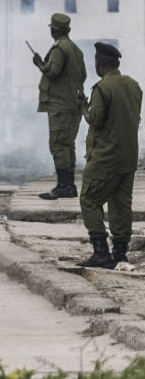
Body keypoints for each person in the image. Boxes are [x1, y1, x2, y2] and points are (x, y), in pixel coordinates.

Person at [75, 43, 142, 268]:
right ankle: (120, 254)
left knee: (89, 199)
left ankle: (101, 252)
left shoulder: (102, 88)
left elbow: (97, 120)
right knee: (121, 204)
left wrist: (84, 108)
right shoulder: (134, 86)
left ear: (100, 64)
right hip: (129, 156)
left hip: (106, 157)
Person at [32, 13, 87, 200]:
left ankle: (64, 186)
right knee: (67, 145)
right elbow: (83, 75)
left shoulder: (59, 49)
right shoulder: (75, 50)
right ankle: (68, 185)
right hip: (73, 104)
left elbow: (53, 72)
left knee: (58, 145)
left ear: (53, 30)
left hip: (60, 105)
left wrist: (41, 65)